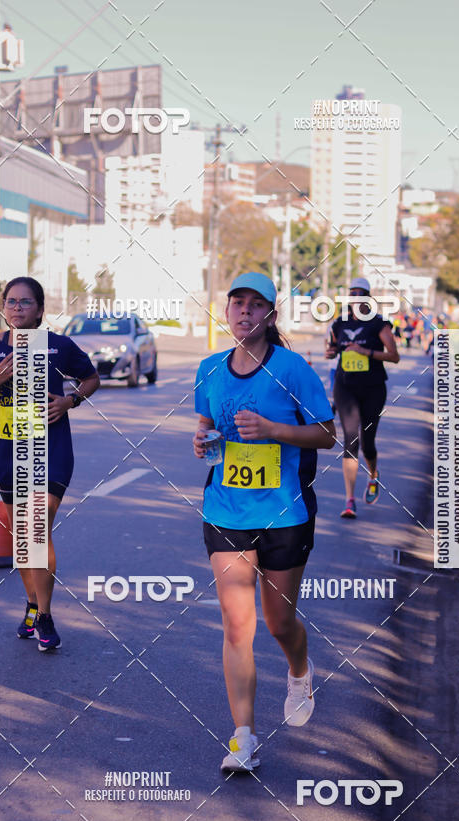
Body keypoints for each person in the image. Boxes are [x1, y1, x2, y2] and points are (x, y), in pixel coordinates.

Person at [193, 272, 336, 773]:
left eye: (257, 306)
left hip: (284, 513)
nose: (245, 313)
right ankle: (243, 738)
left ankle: (300, 669)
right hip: (226, 510)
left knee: (279, 623)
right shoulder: (210, 368)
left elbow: (327, 435)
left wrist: (274, 429)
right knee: (238, 625)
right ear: (226, 310)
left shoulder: (293, 370)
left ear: (271, 316)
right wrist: (203, 441)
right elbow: (208, 426)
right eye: (238, 304)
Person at [0, 276, 100, 651]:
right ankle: (31, 605)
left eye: (26, 302)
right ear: (3, 307)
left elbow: (91, 378)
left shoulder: (58, 347)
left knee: (34, 528)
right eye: (11, 302)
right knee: (22, 540)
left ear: (40, 310)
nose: (17, 308)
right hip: (8, 454)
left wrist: (70, 401)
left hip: (50, 452)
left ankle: (44, 616)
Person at [325, 276, 400, 519]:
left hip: (373, 388)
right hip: (345, 387)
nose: (356, 297)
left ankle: (373, 474)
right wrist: (330, 352)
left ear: (368, 298)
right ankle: (349, 500)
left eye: (361, 293)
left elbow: (394, 356)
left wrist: (365, 351)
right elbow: (334, 349)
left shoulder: (379, 325)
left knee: (367, 443)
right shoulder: (340, 324)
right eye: (352, 293)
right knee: (350, 438)